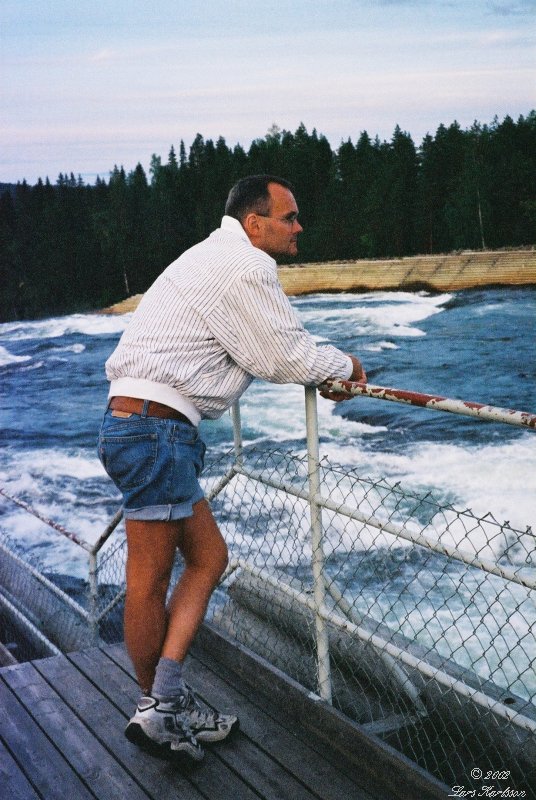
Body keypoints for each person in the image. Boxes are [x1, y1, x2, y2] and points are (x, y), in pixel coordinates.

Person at [98, 174, 366, 765]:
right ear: (254, 223)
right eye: (289, 217)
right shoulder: (246, 268)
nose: (299, 227)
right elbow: (280, 354)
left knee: (209, 558)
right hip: (155, 432)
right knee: (146, 581)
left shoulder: (209, 257)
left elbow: (260, 345)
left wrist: (320, 366)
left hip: (143, 427)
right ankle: (158, 710)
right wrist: (344, 364)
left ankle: (165, 698)